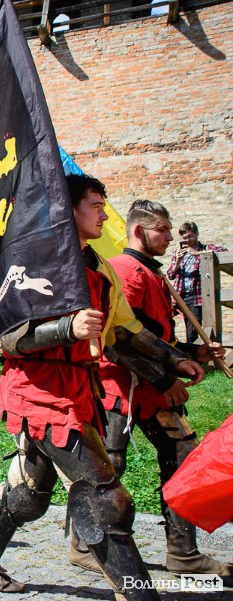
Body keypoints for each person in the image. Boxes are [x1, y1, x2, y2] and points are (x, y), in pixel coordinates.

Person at [0, 174, 206, 600]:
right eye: (95, 205)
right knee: (108, 499)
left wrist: (172, 358)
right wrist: (66, 328)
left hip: (79, 390)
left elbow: (123, 330)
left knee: (29, 496)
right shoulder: (33, 261)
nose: (104, 214)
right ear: (68, 209)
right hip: (39, 391)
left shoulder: (100, 268)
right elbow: (7, 337)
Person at [64, 200, 230, 578]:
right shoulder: (127, 272)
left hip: (150, 388)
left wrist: (192, 352)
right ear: (140, 231)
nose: (171, 237)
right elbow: (117, 340)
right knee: (107, 467)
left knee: (183, 457)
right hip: (117, 387)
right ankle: (85, 546)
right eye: (163, 230)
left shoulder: (150, 273)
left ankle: (183, 552)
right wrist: (164, 379)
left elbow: (156, 337)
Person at [166, 221, 227, 343]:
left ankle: (195, 351)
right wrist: (178, 261)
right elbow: (170, 275)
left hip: (196, 295)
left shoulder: (205, 248)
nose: (187, 240)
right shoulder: (178, 252)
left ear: (197, 234)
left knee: (193, 329)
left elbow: (224, 251)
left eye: (190, 236)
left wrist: (198, 254)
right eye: (184, 238)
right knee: (169, 321)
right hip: (180, 296)